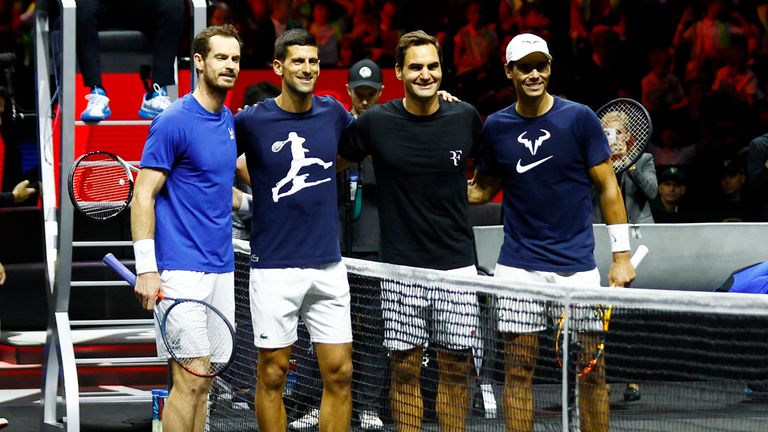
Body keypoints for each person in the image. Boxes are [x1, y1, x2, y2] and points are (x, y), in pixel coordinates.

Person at [467, 33, 635, 432]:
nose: (535, 73)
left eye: (541, 65)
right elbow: (483, 189)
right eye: (525, 66)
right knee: (519, 369)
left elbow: (608, 186)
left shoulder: (579, 118)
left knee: (593, 371)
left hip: (576, 269)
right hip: (518, 267)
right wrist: (432, 183)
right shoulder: (496, 127)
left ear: (550, 67)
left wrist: (621, 256)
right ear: (508, 71)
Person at [339, 30, 483, 432]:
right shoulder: (376, 122)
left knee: (455, 368)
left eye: (432, 66)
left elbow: (487, 178)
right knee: (404, 370)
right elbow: (330, 162)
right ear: (399, 72)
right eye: (416, 67)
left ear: (442, 70)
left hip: (456, 267)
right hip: (399, 270)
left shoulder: (464, 116)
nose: (425, 74)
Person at [234, 28, 354, 432]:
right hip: (274, 268)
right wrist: (260, 182)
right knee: (272, 374)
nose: (307, 68)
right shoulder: (252, 120)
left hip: (328, 267)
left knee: (339, 373)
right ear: (278, 66)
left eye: (313, 60)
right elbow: (218, 159)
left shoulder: (334, 112)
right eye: (298, 60)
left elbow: (353, 152)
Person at [131, 24, 242, 432]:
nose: (229, 66)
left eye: (234, 59)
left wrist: (252, 204)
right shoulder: (173, 121)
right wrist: (147, 267)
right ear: (198, 62)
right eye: (220, 57)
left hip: (221, 269)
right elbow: (143, 194)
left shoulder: (228, 119)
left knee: (205, 381)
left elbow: (216, 185)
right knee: (189, 379)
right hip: (180, 271)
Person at [289, 58, 386, 431]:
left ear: (379, 92)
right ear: (349, 92)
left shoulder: (384, 127)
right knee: (319, 326)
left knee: (370, 329)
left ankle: (367, 405)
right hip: (331, 244)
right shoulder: (335, 125)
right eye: (358, 94)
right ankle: (315, 402)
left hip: (371, 245)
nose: (364, 99)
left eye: (370, 93)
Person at [592, 111, 657, 402]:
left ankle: (632, 377)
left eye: (616, 133)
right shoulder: (595, 161)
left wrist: (629, 166)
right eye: (606, 133)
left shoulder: (644, 159)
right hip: (603, 241)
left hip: (639, 245)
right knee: (603, 315)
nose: (612, 138)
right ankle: (601, 377)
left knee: (632, 318)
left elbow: (653, 192)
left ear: (629, 136)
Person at [76, 0, 184, 122]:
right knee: (81, 4)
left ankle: (157, 92)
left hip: (138, 9)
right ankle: (96, 93)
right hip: (98, 8)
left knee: (173, 5)